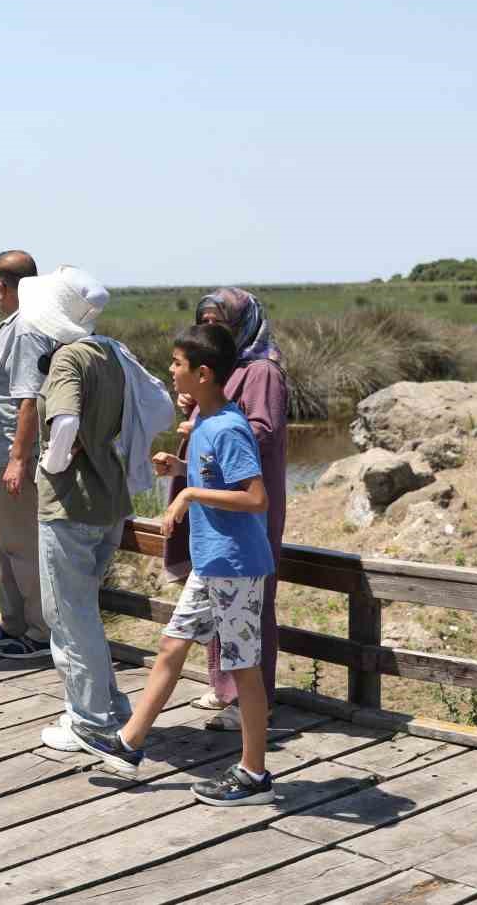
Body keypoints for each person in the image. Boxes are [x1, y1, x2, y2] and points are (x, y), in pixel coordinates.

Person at [70, 323, 277, 807]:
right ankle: (128, 744)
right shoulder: (205, 420)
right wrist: (182, 469)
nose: (171, 370)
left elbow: (255, 497)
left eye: (178, 364)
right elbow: (219, 477)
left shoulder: (226, 426)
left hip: (237, 566)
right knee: (170, 647)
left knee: (244, 667)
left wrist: (186, 493)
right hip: (211, 564)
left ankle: (254, 776)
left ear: (203, 374)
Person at [21, 266, 137, 754]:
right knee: (83, 612)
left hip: (72, 504)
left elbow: (64, 422)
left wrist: (48, 465)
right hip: (110, 498)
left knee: (69, 617)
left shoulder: (68, 359)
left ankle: (89, 721)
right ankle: (108, 705)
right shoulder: (108, 351)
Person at [173, 288, 289, 730]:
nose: (210, 331)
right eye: (204, 322)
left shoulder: (261, 371)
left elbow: (261, 430)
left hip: (248, 499)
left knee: (250, 600)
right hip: (214, 497)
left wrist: (208, 422)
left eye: (218, 323)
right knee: (219, 592)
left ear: (242, 324)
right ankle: (225, 688)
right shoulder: (223, 367)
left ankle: (254, 698)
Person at [0, 250, 56, 661]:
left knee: (23, 544)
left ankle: (40, 632)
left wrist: (20, 460)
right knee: (4, 541)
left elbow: (29, 401)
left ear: (4, 286)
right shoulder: (18, 321)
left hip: (15, 456)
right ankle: (14, 623)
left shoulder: (26, 331)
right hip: (2, 454)